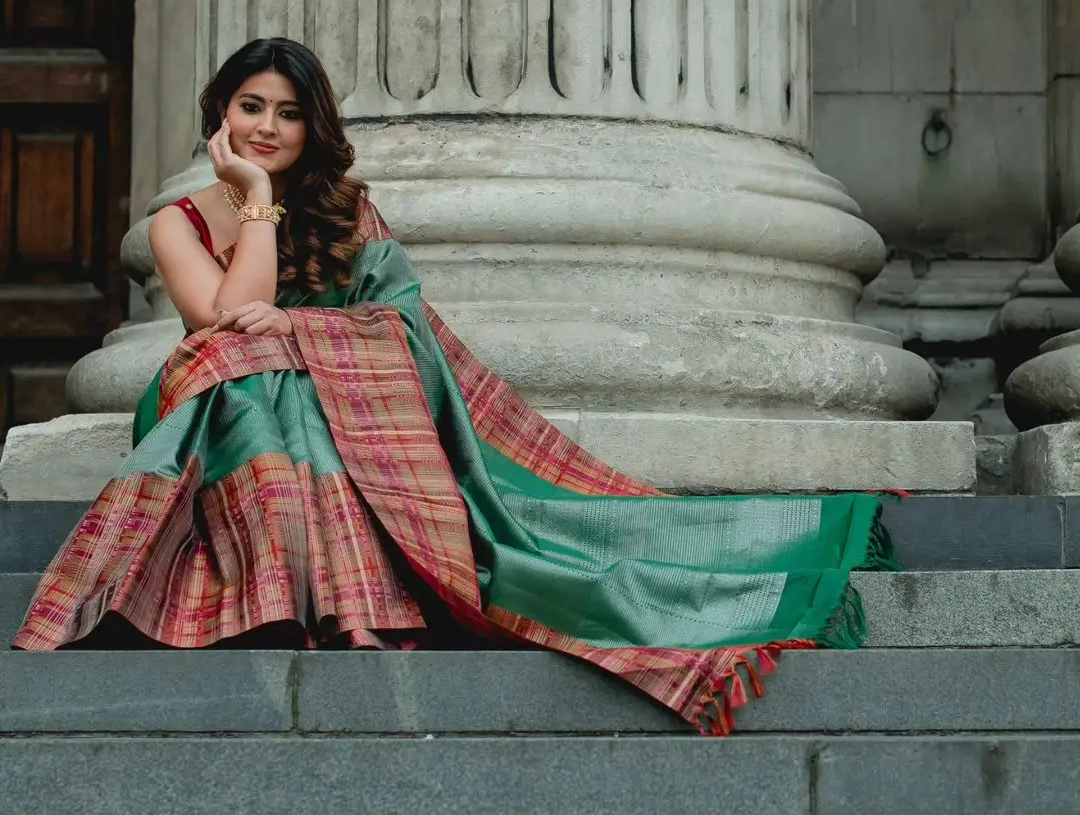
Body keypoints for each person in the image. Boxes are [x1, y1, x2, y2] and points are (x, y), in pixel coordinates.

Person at [12, 37, 894, 734]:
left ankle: (334, 601)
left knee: (275, 367)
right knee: (245, 366)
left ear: (312, 129)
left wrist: (303, 331)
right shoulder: (178, 222)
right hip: (213, 405)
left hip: (326, 408)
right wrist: (252, 204)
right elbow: (223, 317)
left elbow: (401, 325)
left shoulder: (351, 216)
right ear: (219, 115)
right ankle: (324, 598)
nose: (267, 129)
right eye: (250, 109)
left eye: (286, 114)